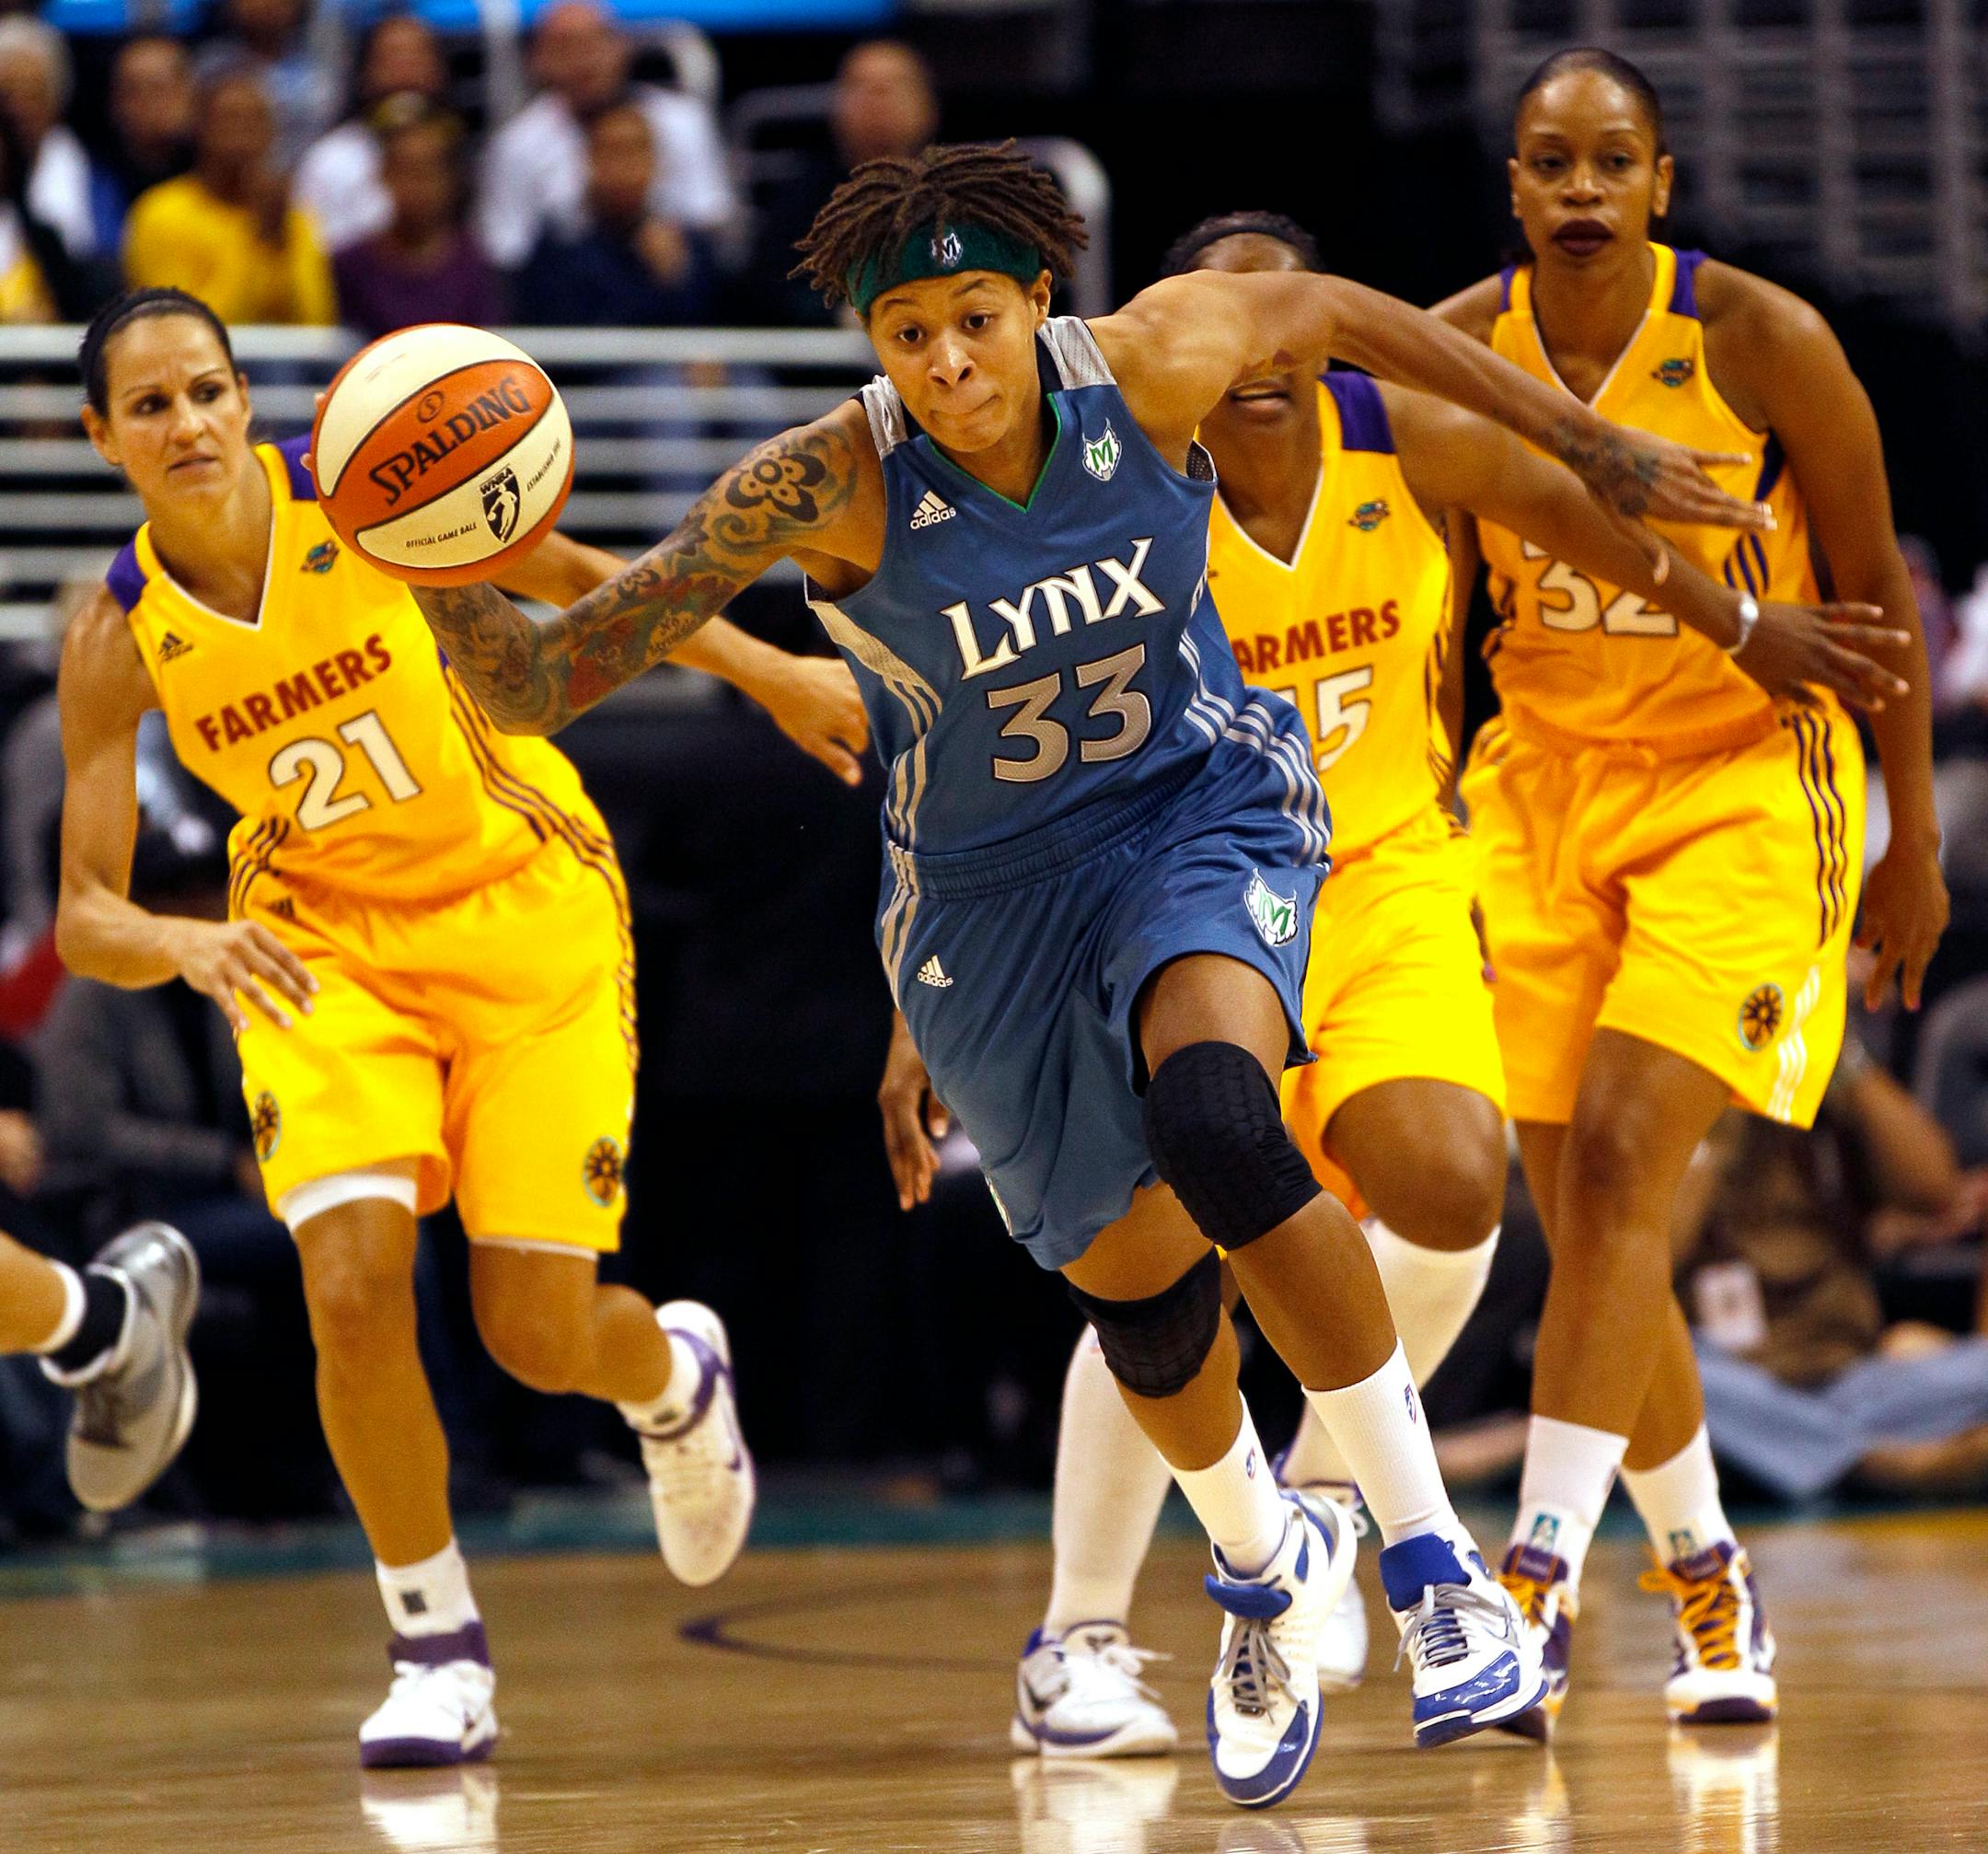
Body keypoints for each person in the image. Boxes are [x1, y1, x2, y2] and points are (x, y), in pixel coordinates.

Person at [394, 143, 1864, 1807]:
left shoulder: (1152, 360)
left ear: (1040, 300)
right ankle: (1259, 1557)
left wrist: (1583, 436)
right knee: (1144, 1300)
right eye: (906, 336)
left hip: (1194, 815)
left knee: (1222, 1117)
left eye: (975, 319)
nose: (949, 363)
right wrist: (438, 564)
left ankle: (1434, 1568)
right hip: (985, 910)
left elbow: (1337, 307)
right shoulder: (824, 480)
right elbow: (551, 677)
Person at [876, 208, 1902, 1757]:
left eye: (1276, 317)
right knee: (1162, 1251)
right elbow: (961, 750)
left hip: (1388, 874)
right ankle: (1078, 1631)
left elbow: (1579, 519)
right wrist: (919, 997)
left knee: (1451, 1184)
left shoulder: (1400, 436)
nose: (1251, 351)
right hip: (1167, 889)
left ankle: (1327, 1499)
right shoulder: (1104, 484)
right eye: (1217, 322)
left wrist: (1748, 626)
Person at [55, 287, 864, 1766]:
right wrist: (186, 940)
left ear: (245, 397)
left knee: (535, 1334)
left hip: (519, 905)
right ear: (100, 436)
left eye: (209, 390)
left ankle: (673, 1378)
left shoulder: (369, 490)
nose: (189, 424)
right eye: (152, 405)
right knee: (352, 1287)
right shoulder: (114, 635)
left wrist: (769, 672)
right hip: (314, 948)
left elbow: (579, 576)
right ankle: (434, 1641)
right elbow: (84, 917)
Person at [1433, 47, 1949, 1733]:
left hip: (1741, 773)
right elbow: (1439, 617)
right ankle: (1711, 1572)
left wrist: (1915, 845)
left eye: (1613, 161)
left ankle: (1535, 1583)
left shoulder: (1762, 340)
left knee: (1628, 1163)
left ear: (1663, 183)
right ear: (1514, 185)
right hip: (1540, 787)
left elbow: (1873, 596)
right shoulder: (1457, 349)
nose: (1581, 189)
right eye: (1551, 161)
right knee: (1590, 1217)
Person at [476, 0, 733, 272]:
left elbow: (711, 220)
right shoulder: (516, 145)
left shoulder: (682, 121)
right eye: (565, 48)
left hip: (667, 278)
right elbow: (507, 253)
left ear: (621, 47)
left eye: (595, 43)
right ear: (538, 60)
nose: (583, 61)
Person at [737, 41, 940, 328]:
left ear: (927, 105)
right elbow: (768, 292)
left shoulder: (962, 198)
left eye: (894, 86)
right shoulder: (800, 200)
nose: (877, 101)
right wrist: (838, 314)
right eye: (861, 87)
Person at [122, 64, 335, 326]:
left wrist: (278, 236)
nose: (241, 135)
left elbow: (316, 322)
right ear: (200, 128)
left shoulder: (292, 218)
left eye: (255, 121)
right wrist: (253, 238)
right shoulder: (160, 213)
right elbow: (185, 326)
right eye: (230, 119)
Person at [511, 99, 715, 328]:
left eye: (635, 151)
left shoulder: (690, 246)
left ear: (656, 162)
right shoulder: (559, 246)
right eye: (612, 151)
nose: (625, 167)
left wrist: (676, 278)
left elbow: (714, 325)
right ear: (588, 160)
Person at [331, 97, 502, 342]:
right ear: (384, 174)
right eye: (406, 171)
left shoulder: (474, 264)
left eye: (428, 173)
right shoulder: (349, 266)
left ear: (450, 180)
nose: (417, 187)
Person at [293, 13, 450, 255]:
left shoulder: (458, 155)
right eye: (392, 58)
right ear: (364, 73)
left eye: (417, 57)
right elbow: (312, 250)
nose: (405, 72)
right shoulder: (330, 160)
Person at [0, 17, 103, 263]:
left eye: (32, 94)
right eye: (8, 95)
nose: (18, 109)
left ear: (57, 99)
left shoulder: (94, 176)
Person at [95, 35, 195, 242]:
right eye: (132, 90)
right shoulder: (91, 176)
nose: (145, 102)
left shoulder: (211, 171)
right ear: (114, 102)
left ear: (189, 95)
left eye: (158, 89)